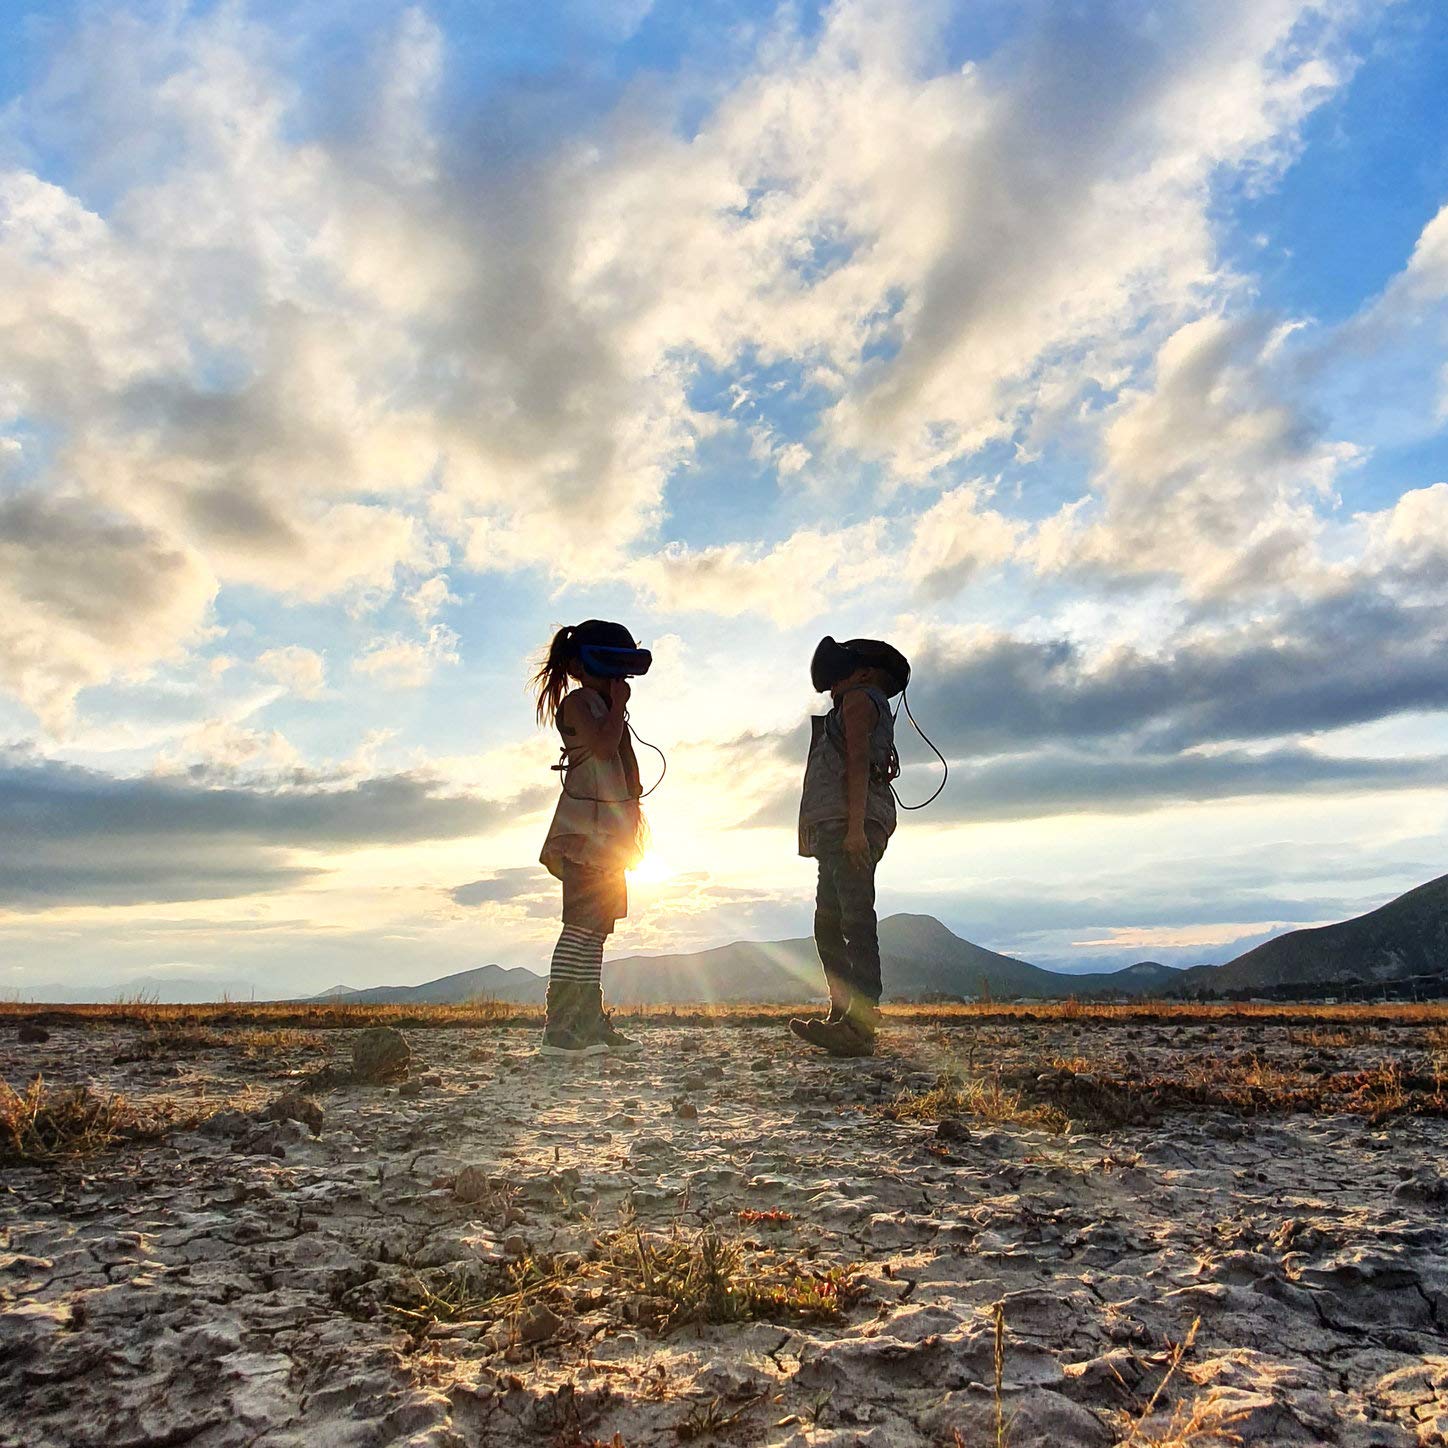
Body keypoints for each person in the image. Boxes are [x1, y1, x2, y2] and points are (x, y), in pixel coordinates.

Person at [532, 620, 651, 1059]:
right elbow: (601, 751)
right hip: (585, 835)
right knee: (579, 927)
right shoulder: (580, 702)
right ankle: (560, 1027)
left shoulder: (603, 703)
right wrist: (617, 707)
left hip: (611, 840)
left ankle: (587, 1023)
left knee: (596, 932)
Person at [789, 636, 910, 1058]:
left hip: (849, 826)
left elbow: (858, 761)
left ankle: (859, 1022)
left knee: (853, 918)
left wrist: (856, 828)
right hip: (839, 826)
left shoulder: (859, 701)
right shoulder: (852, 703)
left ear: (863, 673)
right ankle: (843, 1016)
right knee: (831, 922)